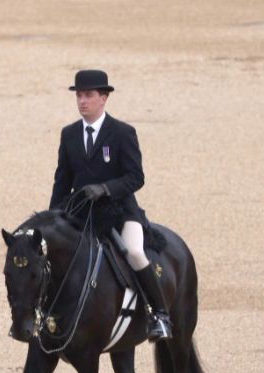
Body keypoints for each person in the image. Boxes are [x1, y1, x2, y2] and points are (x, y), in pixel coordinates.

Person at [49, 69, 172, 340]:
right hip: (82, 214)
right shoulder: (69, 134)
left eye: (89, 95)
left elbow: (136, 177)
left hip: (120, 213)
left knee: (135, 253)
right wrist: (53, 219)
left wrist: (105, 189)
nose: (82, 101)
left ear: (103, 98)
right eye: (79, 95)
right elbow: (62, 180)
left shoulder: (122, 133)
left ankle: (159, 315)